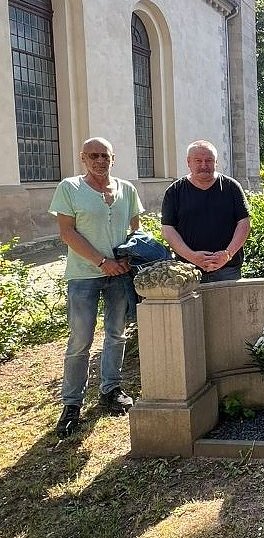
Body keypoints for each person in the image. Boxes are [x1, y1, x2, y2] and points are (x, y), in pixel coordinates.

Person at [48, 137, 143, 438]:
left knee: (116, 333)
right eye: (93, 155)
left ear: (113, 158)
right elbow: (67, 232)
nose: (100, 160)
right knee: (80, 341)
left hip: (119, 275)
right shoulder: (70, 188)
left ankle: (110, 389)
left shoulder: (126, 189)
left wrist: (127, 257)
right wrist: (102, 262)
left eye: (105, 155)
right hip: (84, 276)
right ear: (83, 158)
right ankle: (72, 404)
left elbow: (136, 228)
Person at [161, 140, 250, 283]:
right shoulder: (174, 191)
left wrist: (227, 254)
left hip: (228, 269)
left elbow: (244, 223)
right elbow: (168, 230)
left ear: (216, 162)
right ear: (188, 162)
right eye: (198, 161)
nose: (204, 165)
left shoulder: (231, 187)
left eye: (209, 160)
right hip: (187, 270)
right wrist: (192, 256)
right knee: (192, 307)